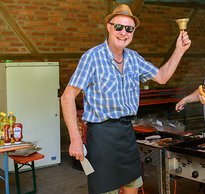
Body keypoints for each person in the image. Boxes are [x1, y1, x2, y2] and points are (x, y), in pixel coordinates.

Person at [61, 4, 191, 194]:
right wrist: (75, 140)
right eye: (118, 27)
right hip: (102, 135)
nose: (123, 33)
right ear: (108, 26)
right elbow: (67, 98)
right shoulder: (92, 57)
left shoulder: (134, 59)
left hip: (127, 133)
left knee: (133, 186)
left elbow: (162, 77)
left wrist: (179, 50)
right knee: (105, 189)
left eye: (129, 29)